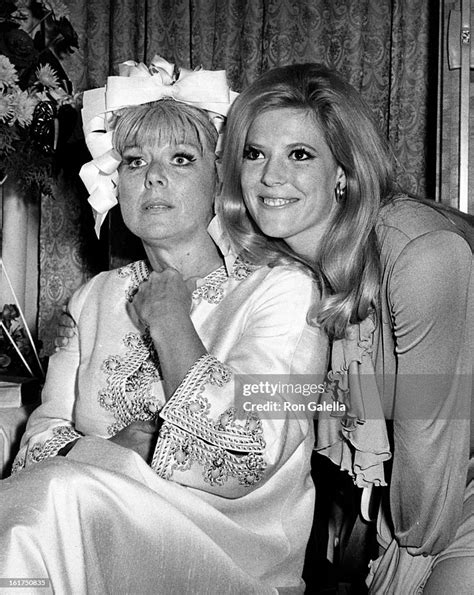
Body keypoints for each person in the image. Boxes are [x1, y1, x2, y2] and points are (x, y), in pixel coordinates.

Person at [0, 58, 331, 594]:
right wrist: (113, 451)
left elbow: (249, 452)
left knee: (58, 498)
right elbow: (36, 447)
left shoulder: (282, 291)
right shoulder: (93, 298)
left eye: (180, 158)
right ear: (116, 183)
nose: (153, 176)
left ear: (218, 179)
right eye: (134, 161)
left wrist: (173, 321)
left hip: (230, 554)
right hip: (91, 530)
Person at [217, 63, 474, 594]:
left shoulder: (422, 256)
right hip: (411, 510)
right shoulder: (296, 271)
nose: (270, 176)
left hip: (449, 502)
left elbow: (428, 475)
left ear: (344, 171)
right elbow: (314, 400)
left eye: (300, 155)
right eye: (254, 152)